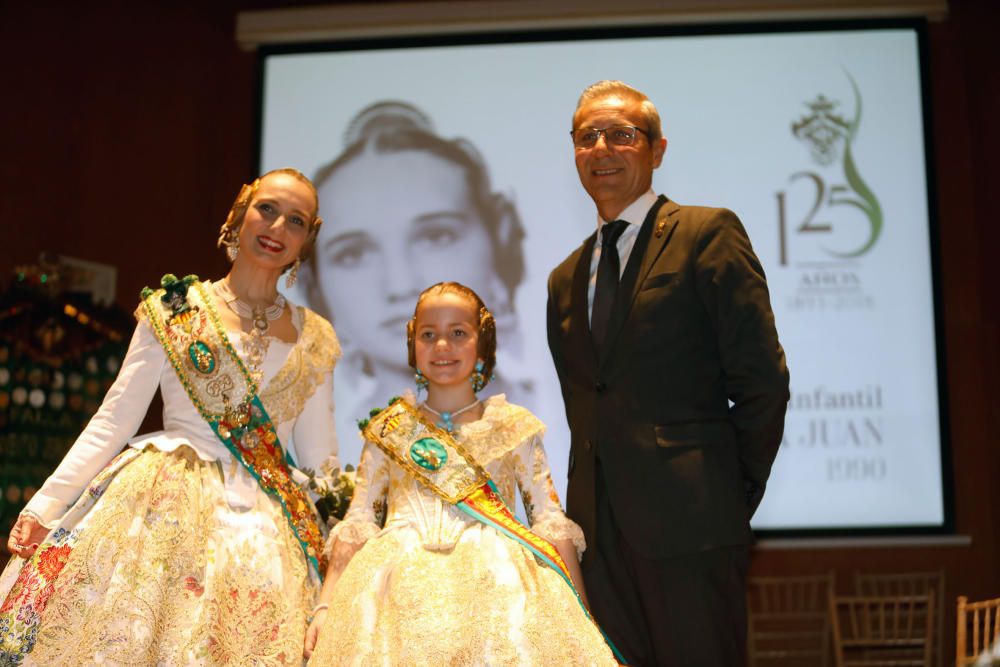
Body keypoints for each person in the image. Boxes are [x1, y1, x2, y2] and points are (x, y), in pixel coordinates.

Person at [0, 168, 341, 665]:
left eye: (296, 220)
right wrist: (45, 506)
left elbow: (318, 463)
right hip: (163, 505)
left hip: (266, 534)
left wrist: (341, 559)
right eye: (266, 209)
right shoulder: (175, 309)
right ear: (238, 215)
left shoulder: (315, 337)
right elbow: (114, 419)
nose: (277, 227)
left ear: (306, 240)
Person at [547, 80, 790, 666]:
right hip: (597, 542)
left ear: (656, 150)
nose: (602, 148)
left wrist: (724, 497)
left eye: (622, 135)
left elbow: (763, 385)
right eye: (588, 137)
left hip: (693, 530)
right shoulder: (564, 277)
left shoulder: (706, 234)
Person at [304, 282, 619, 665]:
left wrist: (581, 615)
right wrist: (325, 605)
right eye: (428, 334)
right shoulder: (389, 429)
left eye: (458, 333)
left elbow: (549, 522)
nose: (442, 346)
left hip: (496, 589)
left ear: (482, 343)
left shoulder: (513, 425)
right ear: (412, 343)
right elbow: (358, 522)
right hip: (393, 591)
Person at [300, 101, 530, 468]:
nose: (400, 284)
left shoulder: (542, 419)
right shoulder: (332, 443)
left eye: (436, 236)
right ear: (316, 285)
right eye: (354, 254)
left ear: (500, 236)